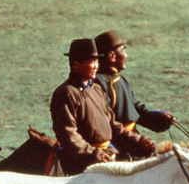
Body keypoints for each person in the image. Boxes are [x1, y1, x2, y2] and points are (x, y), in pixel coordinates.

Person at [50, 38, 156, 175]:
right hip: (82, 164)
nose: (96, 66)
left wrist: (140, 141)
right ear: (76, 65)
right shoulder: (66, 93)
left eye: (96, 61)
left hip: (107, 155)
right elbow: (68, 134)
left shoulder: (97, 89)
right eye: (91, 62)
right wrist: (95, 154)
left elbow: (113, 125)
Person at [94, 31, 174, 133]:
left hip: (130, 138)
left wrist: (159, 118)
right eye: (123, 50)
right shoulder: (100, 82)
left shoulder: (120, 80)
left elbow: (135, 109)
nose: (126, 55)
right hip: (118, 142)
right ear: (112, 56)